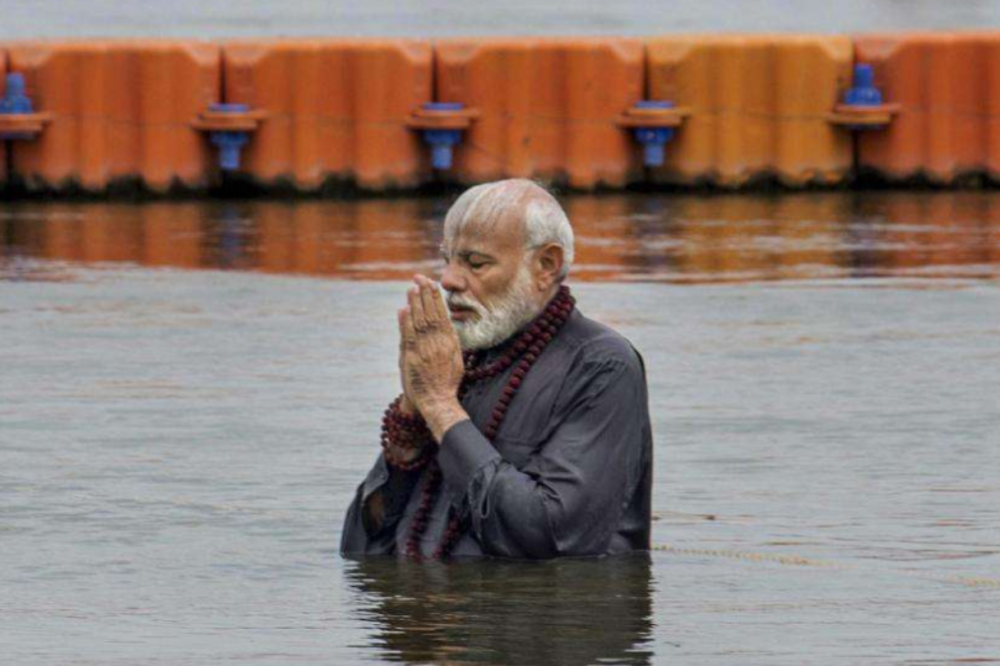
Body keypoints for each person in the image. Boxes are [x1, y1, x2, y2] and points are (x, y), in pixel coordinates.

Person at [340, 179, 652, 560]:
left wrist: (441, 406)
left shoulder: (602, 366)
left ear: (545, 265)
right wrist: (413, 411)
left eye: (475, 263)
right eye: (447, 259)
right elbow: (359, 550)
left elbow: (554, 540)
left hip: (541, 616)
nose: (449, 280)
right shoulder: (464, 361)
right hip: (427, 613)